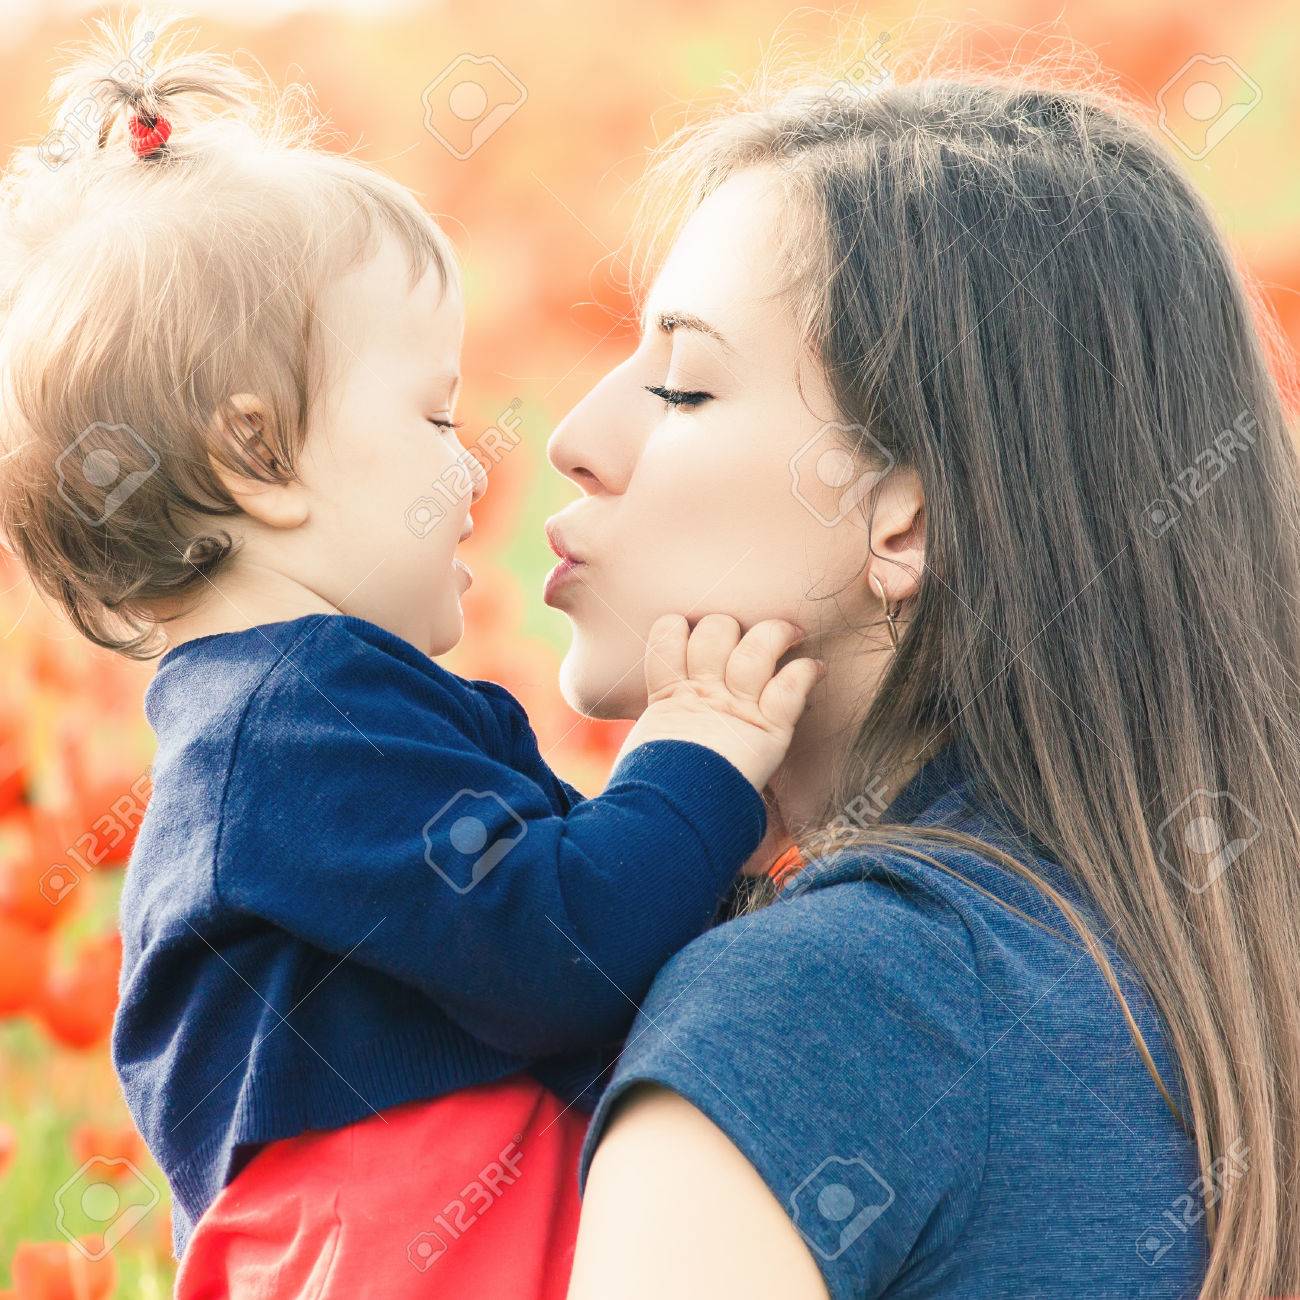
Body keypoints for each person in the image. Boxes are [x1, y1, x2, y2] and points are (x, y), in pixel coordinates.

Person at [0, 19, 823, 1297]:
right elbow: (569, 951)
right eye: (435, 413)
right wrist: (695, 761)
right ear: (257, 458)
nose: (472, 459)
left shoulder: (281, 726)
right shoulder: (298, 730)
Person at [549, 61, 1300, 1299]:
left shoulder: (818, 1011)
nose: (575, 439)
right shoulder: (1224, 968)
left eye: (682, 385)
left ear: (901, 522)